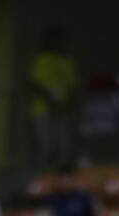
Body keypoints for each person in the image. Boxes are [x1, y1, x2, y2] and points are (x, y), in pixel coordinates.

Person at [27, 27, 80, 169]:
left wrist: (67, 106)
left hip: (63, 111)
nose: (58, 43)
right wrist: (52, 103)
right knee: (45, 146)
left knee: (64, 146)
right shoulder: (42, 60)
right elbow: (35, 85)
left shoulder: (67, 62)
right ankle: (45, 175)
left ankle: (62, 175)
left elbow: (73, 87)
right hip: (43, 110)